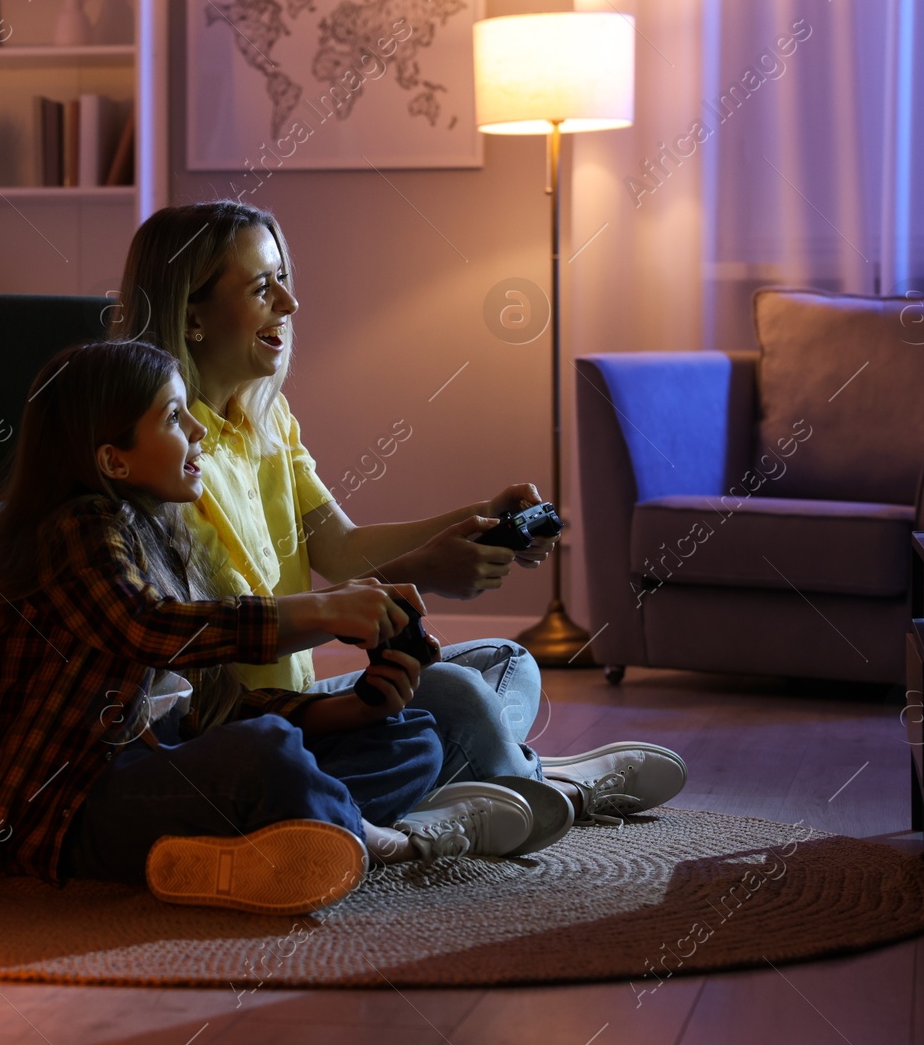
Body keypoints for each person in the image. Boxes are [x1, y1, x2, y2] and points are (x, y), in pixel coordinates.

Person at [111, 201, 688, 829]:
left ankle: (487, 775)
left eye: (285, 279)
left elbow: (338, 545)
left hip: (304, 702)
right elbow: (221, 630)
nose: (289, 303)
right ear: (191, 315)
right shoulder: (166, 452)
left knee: (506, 663)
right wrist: (419, 573)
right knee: (458, 693)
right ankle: (546, 786)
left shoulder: (268, 419)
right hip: (246, 718)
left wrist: (469, 524)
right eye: (261, 287)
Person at [0, 340, 540, 916]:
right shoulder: (78, 527)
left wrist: (353, 710)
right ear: (114, 461)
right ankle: (383, 839)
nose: (198, 430)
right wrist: (325, 610)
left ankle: (253, 848)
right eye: (172, 416)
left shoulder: (164, 540)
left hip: (163, 778)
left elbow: (211, 711)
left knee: (410, 738)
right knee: (268, 752)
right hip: (65, 810)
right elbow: (148, 629)